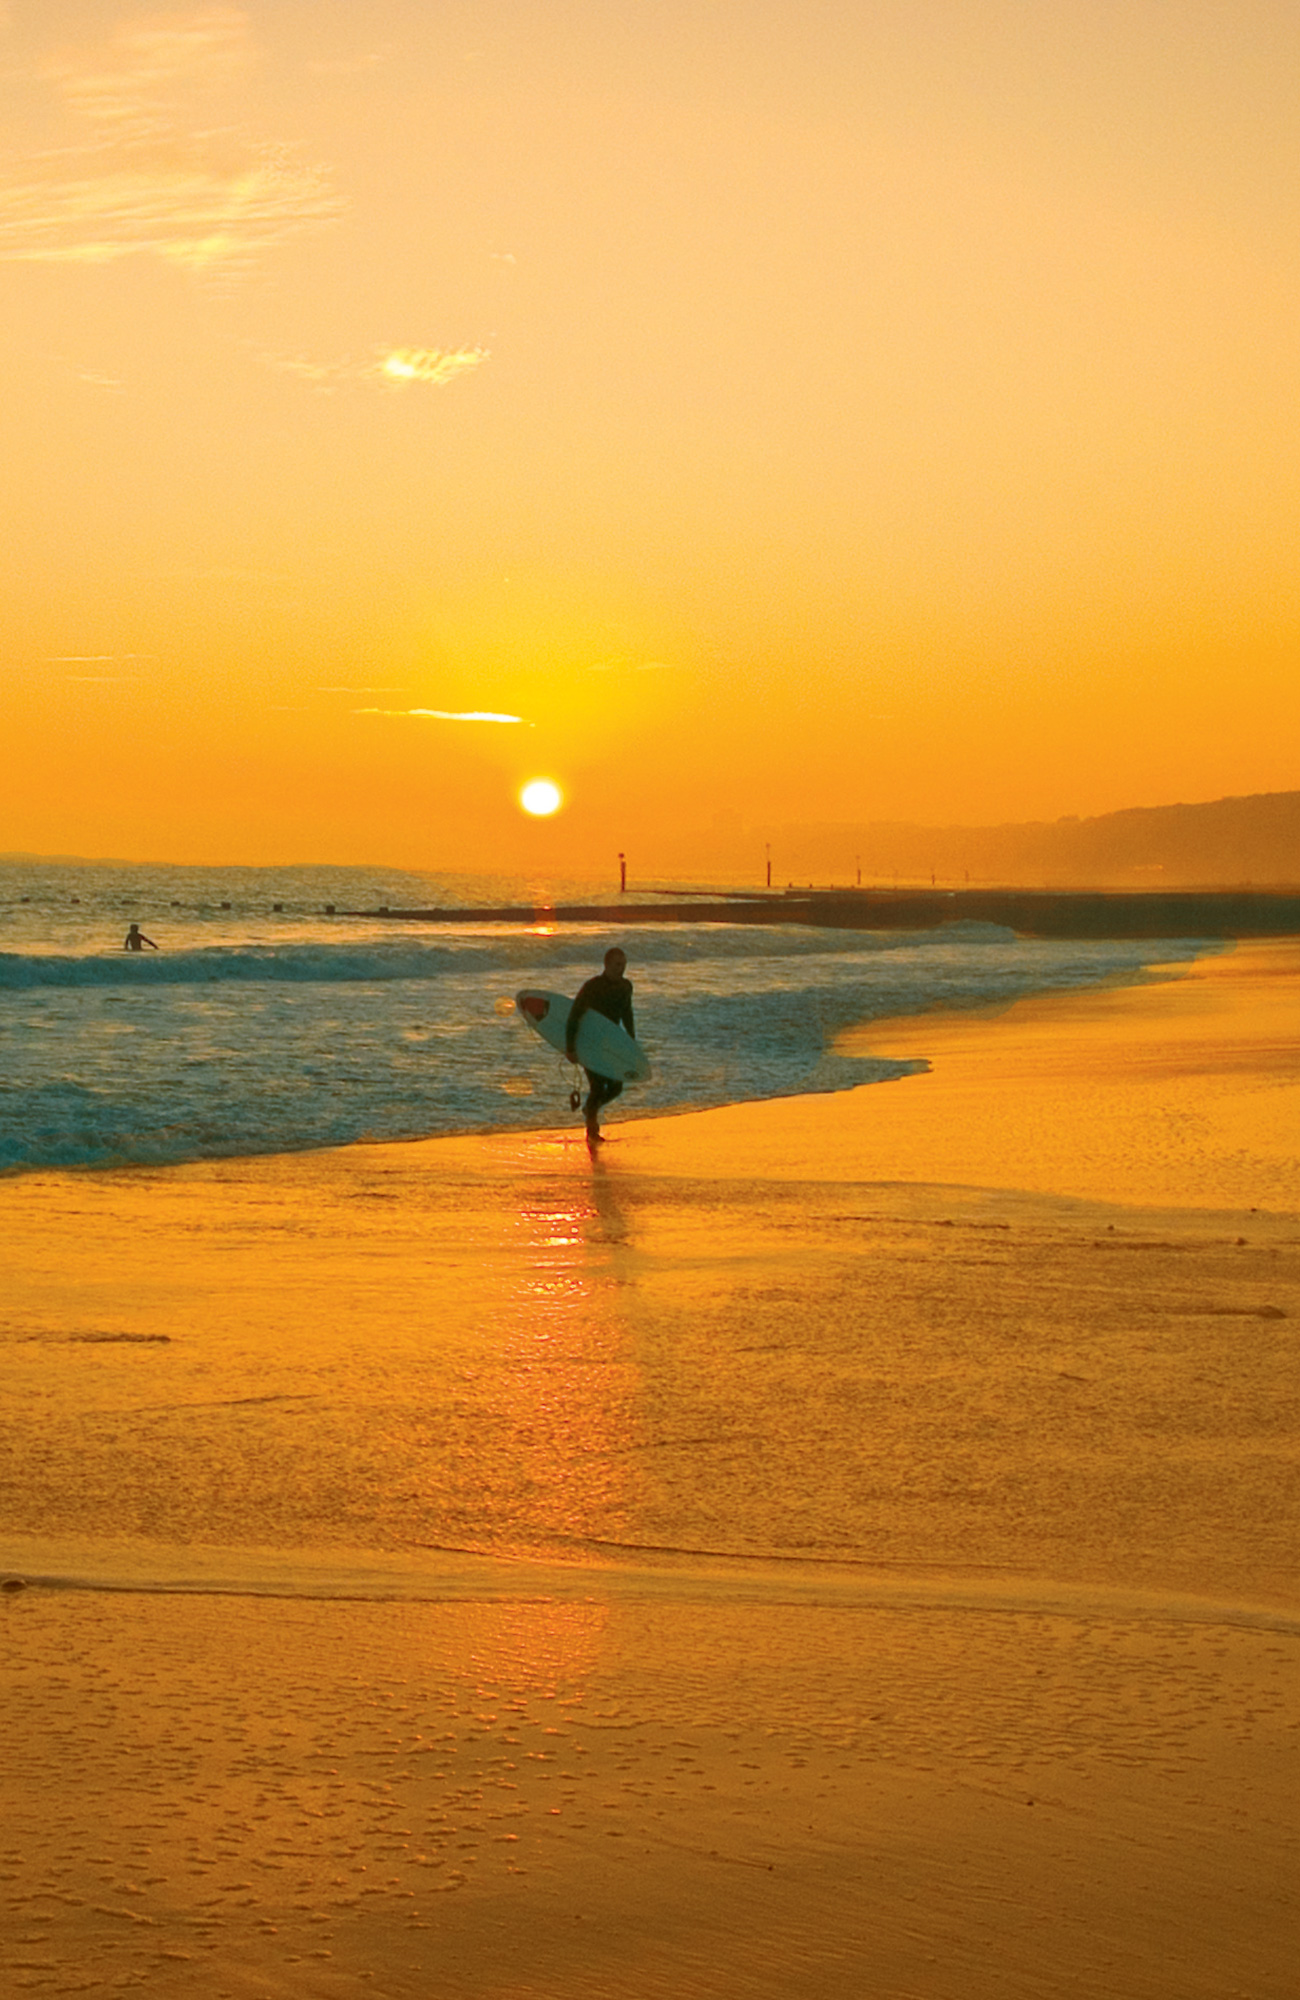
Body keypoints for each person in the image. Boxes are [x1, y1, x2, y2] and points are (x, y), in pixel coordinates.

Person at [566, 946, 634, 1145]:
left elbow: (626, 1014)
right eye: (617, 965)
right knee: (597, 1087)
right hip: (589, 1042)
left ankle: (590, 1110)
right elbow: (574, 1016)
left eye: (623, 965)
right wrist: (570, 1048)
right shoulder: (592, 986)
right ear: (606, 965)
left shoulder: (626, 987)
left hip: (609, 1044)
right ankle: (592, 1130)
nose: (621, 969)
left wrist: (631, 1041)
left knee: (616, 1086)